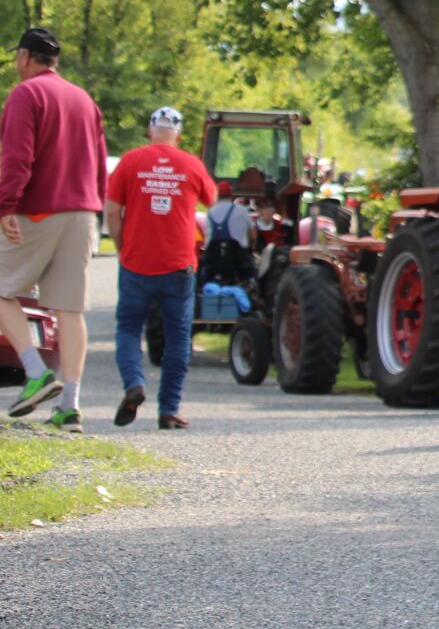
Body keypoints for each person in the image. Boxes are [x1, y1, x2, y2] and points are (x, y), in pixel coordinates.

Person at [1, 28, 108, 433]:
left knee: (2, 289)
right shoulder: (84, 100)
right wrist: (94, 210)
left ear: (27, 57)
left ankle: (36, 373)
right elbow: (99, 163)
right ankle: (70, 406)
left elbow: (17, 156)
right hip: (81, 212)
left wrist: (6, 205)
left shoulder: (26, 95)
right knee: (69, 309)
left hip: (39, 210)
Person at [105, 107, 214, 429]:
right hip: (179, 264)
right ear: (178, 135)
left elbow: (112, 211)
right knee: (178, 338)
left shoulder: (130, 161)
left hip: (136, 262)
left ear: (150, 130)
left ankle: (134, 384)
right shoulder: (191, 164)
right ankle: (169, 409)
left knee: (128, 329)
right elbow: (212, 201)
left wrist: (123, 246)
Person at [202, 180, 254, 281]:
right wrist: (251, 248)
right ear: (231, 195)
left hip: (214, 262)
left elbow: (207, 239)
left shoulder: (210, 212)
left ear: (217, 195)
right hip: (239, 262)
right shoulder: (242, 210)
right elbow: (251, 234)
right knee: (250, 272)